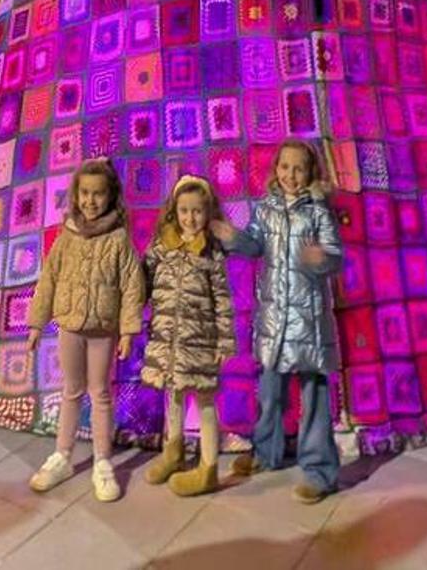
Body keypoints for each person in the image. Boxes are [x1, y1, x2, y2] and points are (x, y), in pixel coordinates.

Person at [211, 139, 343, 504]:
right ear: (276, 169)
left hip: (309, 321)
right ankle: (266, 453)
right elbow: (255, 245)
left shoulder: (318, 211)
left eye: (299, 168)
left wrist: (322, 258)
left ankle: (320, 471)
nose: (291, 175)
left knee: (315, 398)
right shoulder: (265, 208)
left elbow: (336, 256)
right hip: (274, 319)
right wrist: (234, 237)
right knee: (270, 393)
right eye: (285, 167)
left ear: (311, 172)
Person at [26, 157, 145, 503]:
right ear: (76, 196)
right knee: (71, 390)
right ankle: (62, 455)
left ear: (111, 197)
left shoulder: (119, 239)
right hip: (70, 326)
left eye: (99, 194)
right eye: (85, 194)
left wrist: (126, 331)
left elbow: (132, 286)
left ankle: (103, 461)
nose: (91, 201)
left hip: (102, 329)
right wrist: (37, 323)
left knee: (100, 392)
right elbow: (48, 278)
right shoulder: (67, 235)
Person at [141, 174, 235, 497]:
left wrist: (225, 340)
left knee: (206, 400)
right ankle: (174, 452)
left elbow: (222, 299)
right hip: (168, 341)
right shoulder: (162, 246)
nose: (190, 218)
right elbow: (142, 280)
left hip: (202, 341)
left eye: (197, 211)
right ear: (174, 211)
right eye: (184, 211)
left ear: (208, 213)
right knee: (174, 395)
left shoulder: (211, 253)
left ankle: (208, 467)